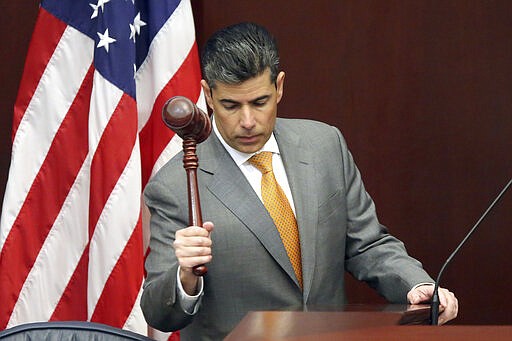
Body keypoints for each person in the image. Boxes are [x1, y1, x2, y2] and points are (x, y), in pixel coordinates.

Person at [141, 22, 458, 340]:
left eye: (260, 102)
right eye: (231, 106)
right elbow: (158, 312)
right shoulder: (176, 185)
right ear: (208, 95)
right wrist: (185, 277)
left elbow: (367, 244)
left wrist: (416, 284)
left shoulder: (324, 145)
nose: (248, 121)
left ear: (279, 87)